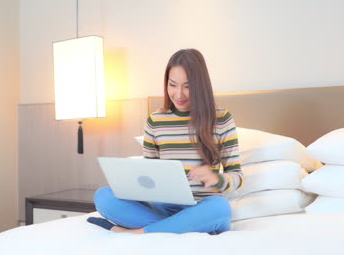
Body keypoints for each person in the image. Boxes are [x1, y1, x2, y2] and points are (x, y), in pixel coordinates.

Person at [87, 49, 243, 234]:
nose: (178, 94)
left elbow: (237, 176)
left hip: (202, 206)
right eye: (172, 85)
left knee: (220, 208)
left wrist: (216, 179)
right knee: (104, 197)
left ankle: (137, 232)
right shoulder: (155, 120)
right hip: (163, 208)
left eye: (187, 86)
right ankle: (178, 227)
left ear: (200, 85)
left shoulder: (222, 119)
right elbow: (149, 175)